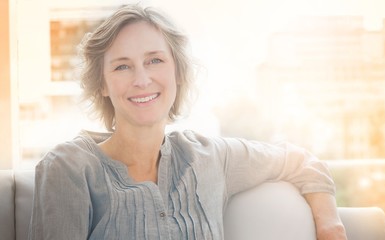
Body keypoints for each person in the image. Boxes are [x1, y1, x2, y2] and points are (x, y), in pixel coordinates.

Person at [28, 4, 347, 240]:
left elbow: (303, 163)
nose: (142, 79)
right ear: (102, 84)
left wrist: (330, 225)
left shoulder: (211, 157)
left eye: (155, 60)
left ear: (177, 73)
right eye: (122, 66)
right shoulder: (67, 169)